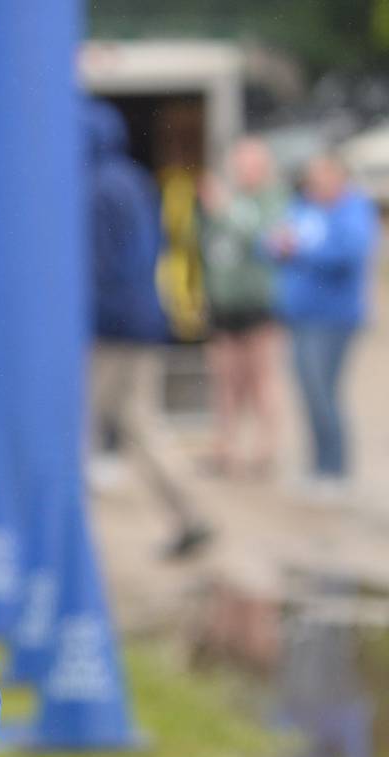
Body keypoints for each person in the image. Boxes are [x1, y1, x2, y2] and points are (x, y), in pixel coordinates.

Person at [85, 98, 213, 560]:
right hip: (145, 317)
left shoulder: (96, 187)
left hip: (111, 328)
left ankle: (63, 543)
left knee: (78, 424)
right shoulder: (135, 179)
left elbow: (97, 268)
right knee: (139, 420)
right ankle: (191, 514)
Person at [265, 153, 377, 498]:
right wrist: (279, 246)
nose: (315, 182)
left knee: (324, 393)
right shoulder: (303, 206)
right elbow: (271, 245)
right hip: (300, 315)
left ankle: (335, 470)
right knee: (308, 394)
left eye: (322, 175)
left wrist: (298, 250)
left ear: (338, 176)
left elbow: (350, 254)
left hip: (334, 319)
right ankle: (317, 467)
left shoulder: (353, 209)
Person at [198, 138, 289, 478]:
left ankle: (265, 452)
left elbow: (270, 242)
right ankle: (226, 447)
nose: (242, 171)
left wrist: (226, 211)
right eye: (238, 164)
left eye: (249, 164)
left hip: (259, 304)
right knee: (225, 380)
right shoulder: (229, 198)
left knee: (262, 379)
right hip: (224, 304)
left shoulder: (274, 200)